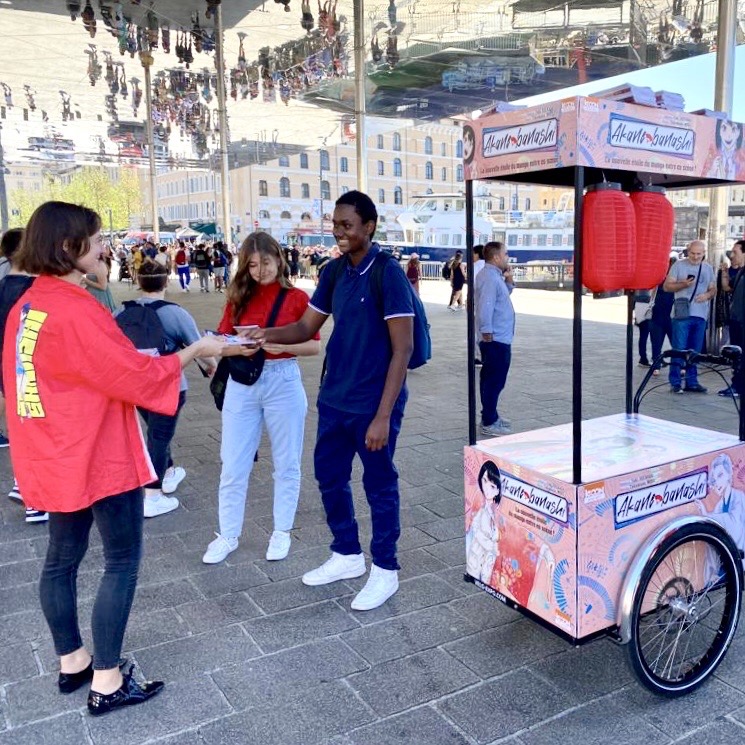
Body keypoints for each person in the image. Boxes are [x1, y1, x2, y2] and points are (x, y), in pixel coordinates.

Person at [1, 201, 227, 716]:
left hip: (53, 451)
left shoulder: (26, 306)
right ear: (68, 248)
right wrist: (197, 350)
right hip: (96, 452)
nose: (105, 248)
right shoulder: (75, 309)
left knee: (60, 560)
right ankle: (107, 679)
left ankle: (73, 661)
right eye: (97, 239)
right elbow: (137, 377)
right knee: (121, 560)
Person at [248, 190, 414, 611]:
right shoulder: (335, 271)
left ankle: (385, 570)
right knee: (329, 477)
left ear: (369, 227)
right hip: (335, 400)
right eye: (335, 225)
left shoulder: (388, 273)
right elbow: (306, 327)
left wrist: (382, 416)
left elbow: (403, 350)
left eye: (347, 225)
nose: (338, 232)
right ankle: (347, 554)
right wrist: (263, 334)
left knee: (379, 485)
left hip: (372, 405)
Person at [202, 232, 320, 565]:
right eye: (252, 264)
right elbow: (221, 338)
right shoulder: (238, 295)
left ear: (279, 258)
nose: (259, 271)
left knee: (287, 463)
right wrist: (231, 346)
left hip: (283, 378)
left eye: (265, 262)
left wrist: (282, 346)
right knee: (233, 463)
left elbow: (314, 345)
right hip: (243, 381)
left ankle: (282, 530)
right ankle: (227, 534)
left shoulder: (297, 297)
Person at [115, 259, 216, 518]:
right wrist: (211, 367)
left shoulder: (121, 311)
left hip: (135, 387)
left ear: (138, 281)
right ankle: (152, 494)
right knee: (159, 437)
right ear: (166, 280)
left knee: (156, 431)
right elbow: (199, 346)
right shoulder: (175, 313)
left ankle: (168, 471)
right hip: (169, 385)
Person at [0, 227, 47, 522]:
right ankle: (34, 498)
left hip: (7, 368)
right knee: (37, 431)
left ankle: (23, 484)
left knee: (21, 428)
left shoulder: (3, 284)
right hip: (29, 368)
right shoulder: (33, 290)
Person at [663, 239, 715, 394]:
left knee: (695, 351)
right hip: (682, 314)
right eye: (692, 253)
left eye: (699, 254)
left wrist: (707, 295)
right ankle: (676, 382)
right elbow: (667, 286)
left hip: (700, 315)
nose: (695, 256)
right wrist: (683, 284)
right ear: (688, 251)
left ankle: (692, 382)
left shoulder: (707, 268)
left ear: (704, 253)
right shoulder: (678, 265)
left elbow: (713, 289)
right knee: (678, 349)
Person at [475, 241, 514, 436]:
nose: (508, 257)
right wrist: (487, 330)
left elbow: (502, 296)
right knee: (494, 380)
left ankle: (491, 415)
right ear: (497, 257)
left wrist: (509, 280)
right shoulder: (489, 277)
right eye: (505, 254)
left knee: (494, 379)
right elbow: (486, 305)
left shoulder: (493, 276)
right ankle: (489, 421)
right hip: (495, 338)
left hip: (499, 336)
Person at [718, 239, 745, 398]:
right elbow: (727, 287)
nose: (732, 255)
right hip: (736, 321)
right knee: (738, 355)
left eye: (735, 252)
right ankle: (737, 385)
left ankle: (739, 386)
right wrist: (725, 273)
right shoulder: (741, 271)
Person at [466, 461, 501, 583]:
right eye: (485, 481)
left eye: (492, 486)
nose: (486, 488)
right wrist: (490, 545)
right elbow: (475, 528)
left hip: (489, 560)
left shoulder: (496, 512)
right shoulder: (481, 510)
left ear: (497, 490)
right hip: (476, 556)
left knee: (487, 578)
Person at [648, 253, 677, 376]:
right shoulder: (659, 277)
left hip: (668, 314)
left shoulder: (676, 278)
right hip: (659, 314)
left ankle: (673, 365)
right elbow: (652, 291)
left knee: (673, 342)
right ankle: (657, 365)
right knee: (657, 342)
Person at [633, 289, 653, 367]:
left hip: (639, 303)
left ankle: (643, 358)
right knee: (649, 333)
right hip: (647, 303)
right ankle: (647, 358)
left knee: (643, 335)